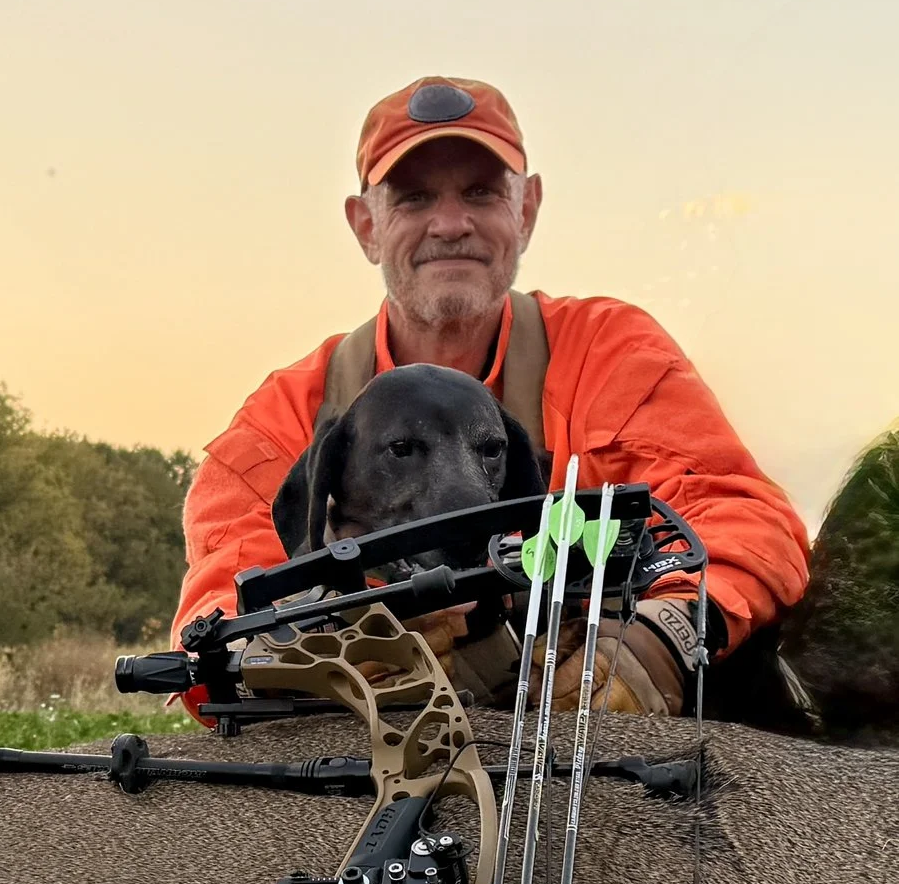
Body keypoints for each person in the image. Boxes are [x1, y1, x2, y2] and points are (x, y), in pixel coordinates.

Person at [177, 76, 809, 713]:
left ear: (525, 210)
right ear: (366, 226)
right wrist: (304, 656)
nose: (451, 224)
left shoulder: (612, 354)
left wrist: (657, 641)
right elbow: (218, 608)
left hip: (585, 732)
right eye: (414, 198)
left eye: (481, 192)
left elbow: (744, 520)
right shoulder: (284, 417)